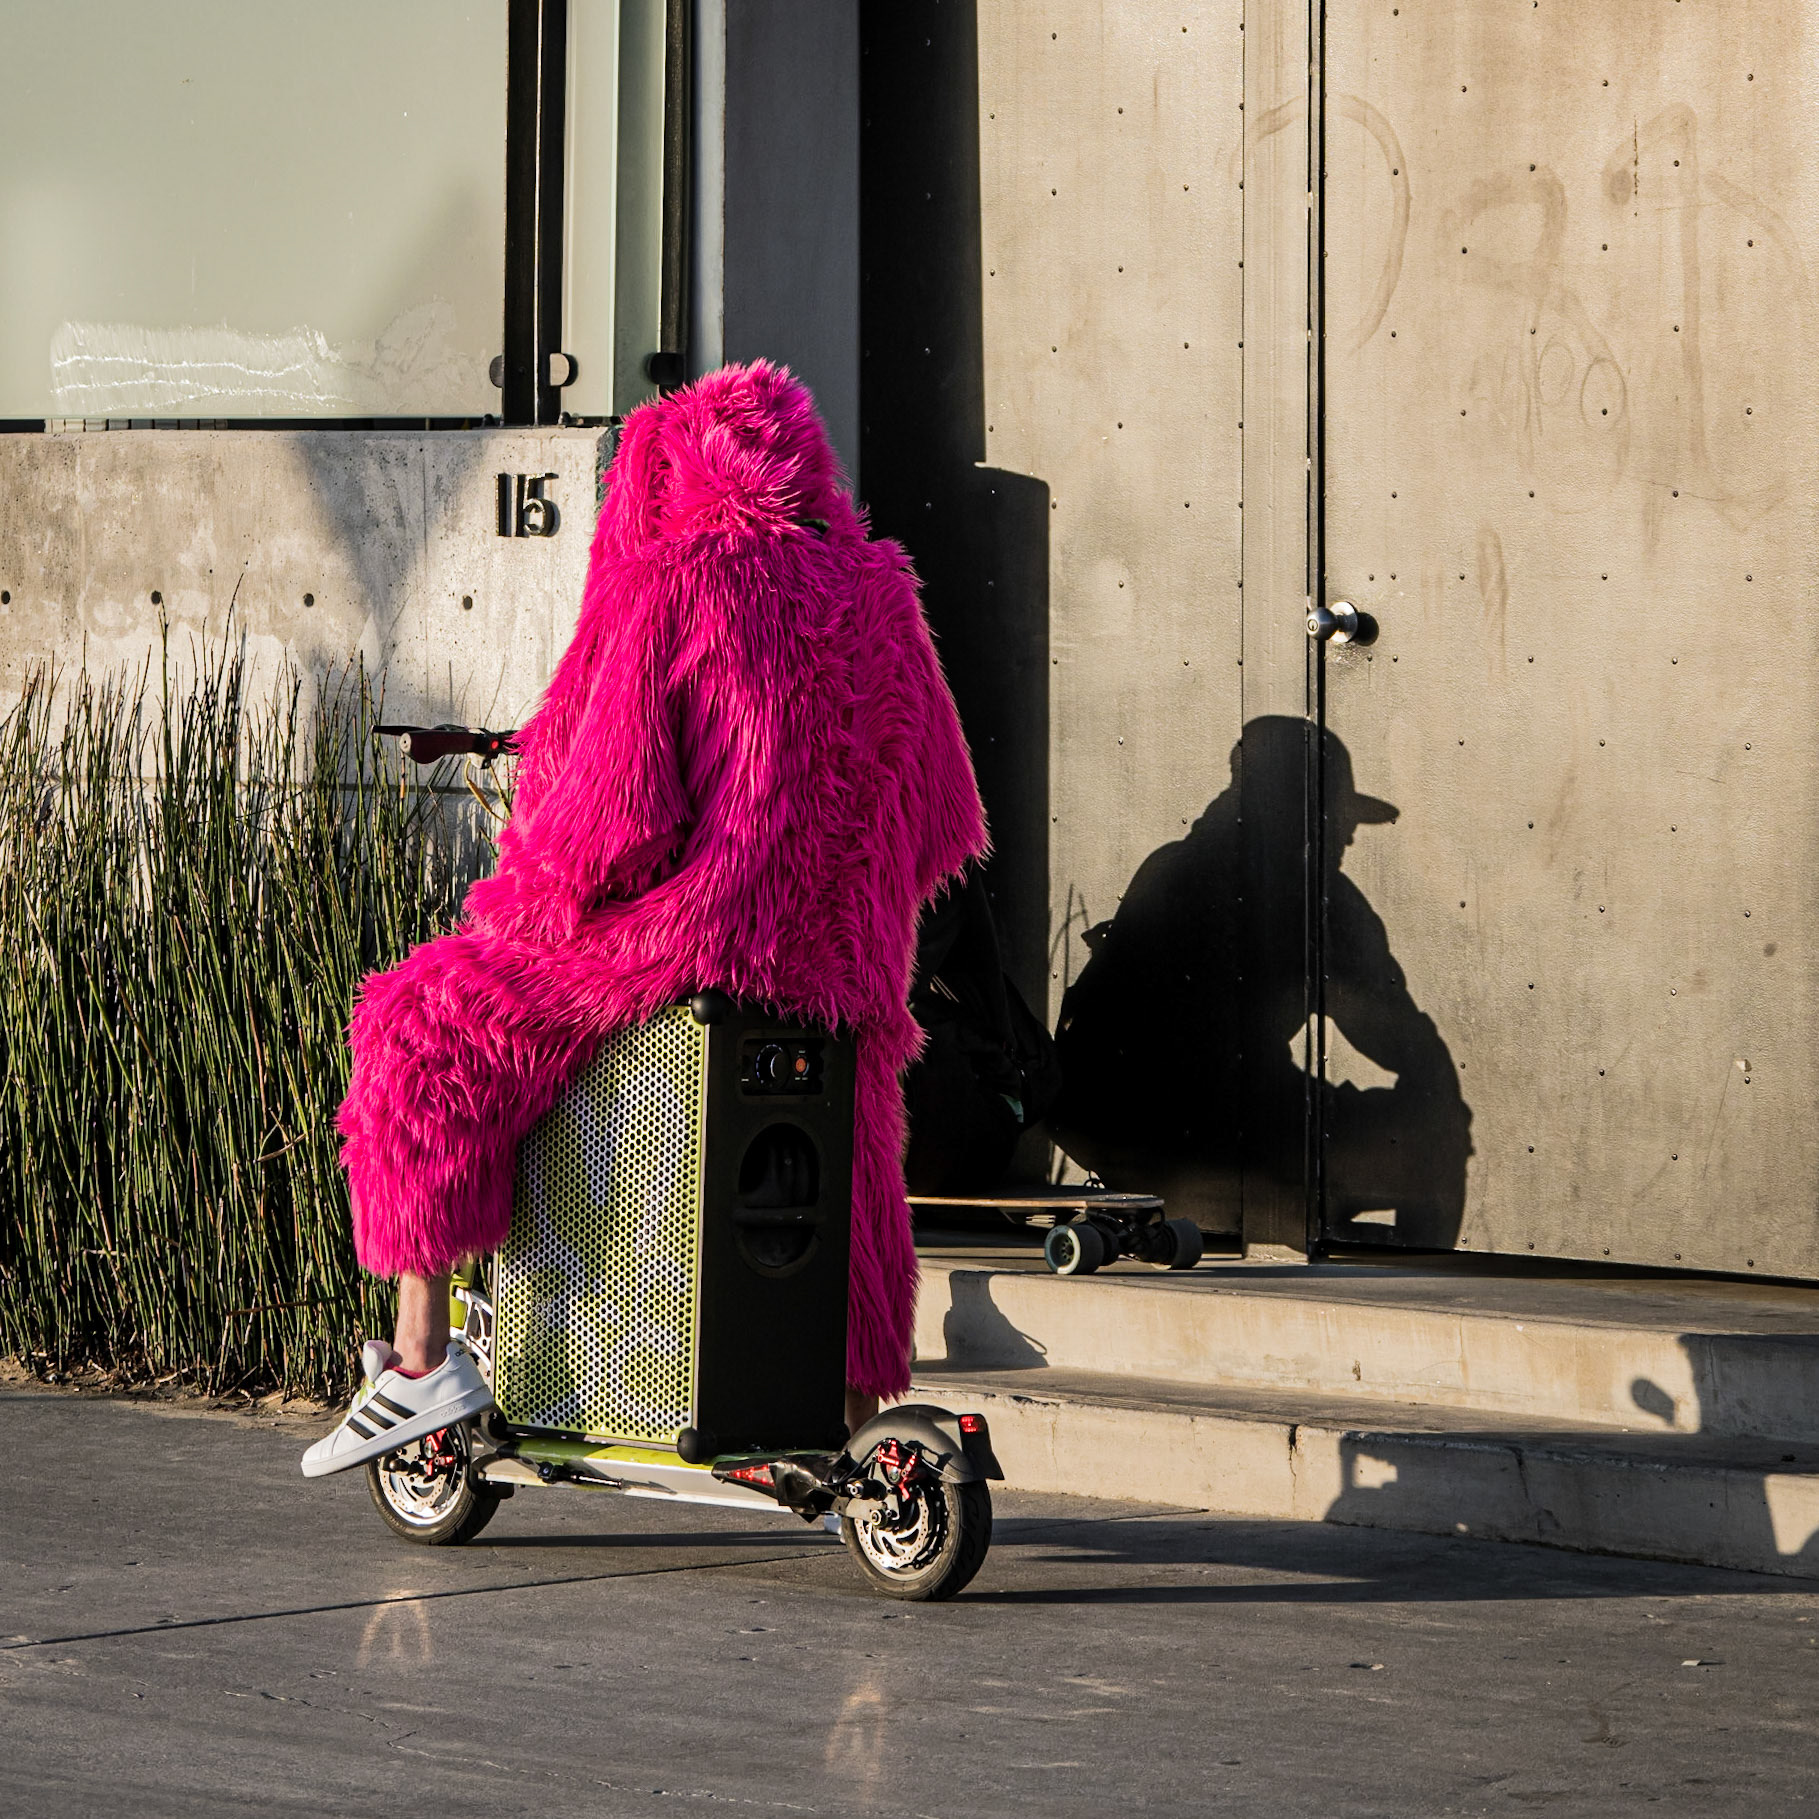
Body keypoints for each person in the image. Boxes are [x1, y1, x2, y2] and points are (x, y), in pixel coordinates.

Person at [303, 362, 986, 1477]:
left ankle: (420, 1359)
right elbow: (945, 819)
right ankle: (860, 1413)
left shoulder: (679, 578)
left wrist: (522, 905)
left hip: (692, 939)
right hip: (844, 968)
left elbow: (610, 818)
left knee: (421, 1022)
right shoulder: (882, 596)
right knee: (848, 1149)